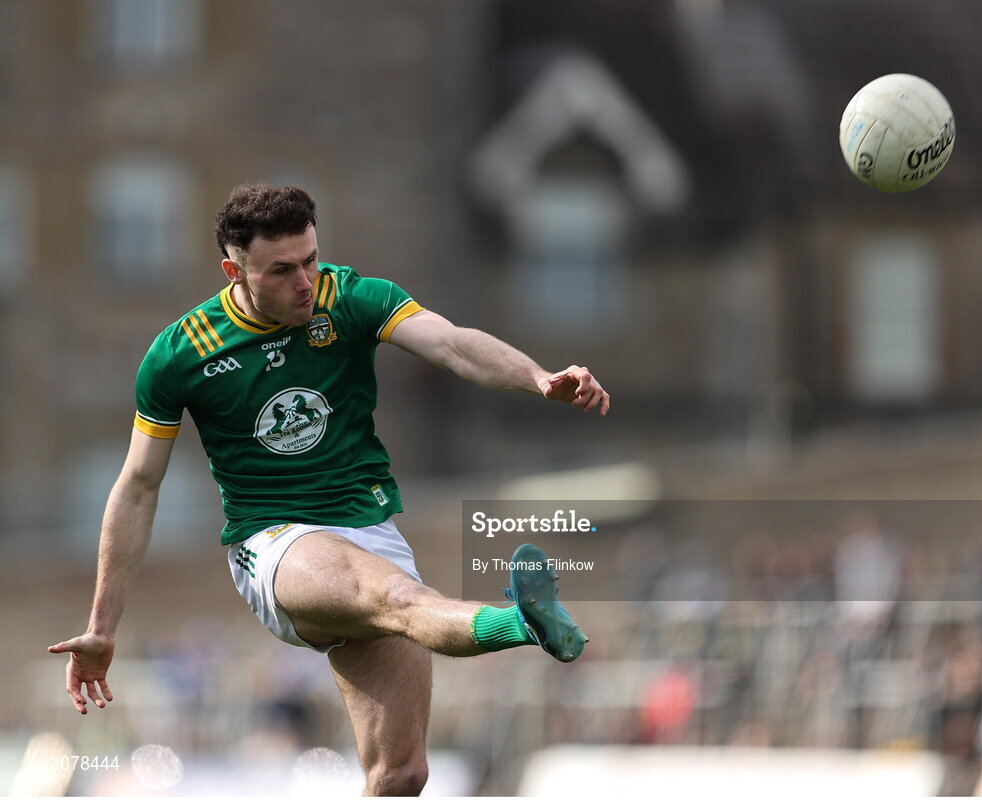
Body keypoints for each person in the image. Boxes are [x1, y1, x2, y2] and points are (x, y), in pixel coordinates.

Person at [49, 184, 610, 795]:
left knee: (400, 775)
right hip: (275, 542)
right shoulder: (182, 354)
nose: (305, 280)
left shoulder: (351, 298)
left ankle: (522, 623)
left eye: (311, 259)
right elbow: (137, 487)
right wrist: (102, 626)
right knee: (397, 596)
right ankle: (524, 621)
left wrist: (538, 377)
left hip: (368, 529)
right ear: (234, 271)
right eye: (283, 270)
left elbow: (450, 342)